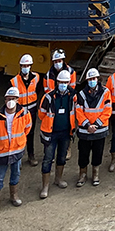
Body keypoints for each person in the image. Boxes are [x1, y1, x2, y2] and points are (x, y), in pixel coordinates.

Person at [0, 87, 32, 214]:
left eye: (13, 99)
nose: (10, 101)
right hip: (3, 151)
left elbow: (27, 128)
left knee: (16, 173)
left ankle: (14, 195)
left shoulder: (24, 113)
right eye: (8, 99)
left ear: (17, 100)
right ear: (5, 100)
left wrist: (19, 141)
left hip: (17, 150)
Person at [37, 68, 75, 199]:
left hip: (65, 132)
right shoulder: (48, 97)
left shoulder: (72, 96)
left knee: (62, 157)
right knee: (48, 159)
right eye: (61, 82)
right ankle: (45, 186)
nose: (63, 85)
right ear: (57, 82)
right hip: (51, 133)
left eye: (66, 82)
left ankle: (58, 179)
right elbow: (41, 114)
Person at [74, 68, 111, 187]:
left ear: (98, 79)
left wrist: (97, 124)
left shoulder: (106, 92)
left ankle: (95, 173)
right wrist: (87, 125)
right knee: (83, 153)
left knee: (98, 152)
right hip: (85, 130)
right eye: (90, 79)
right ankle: (82, 174)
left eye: (94, 78)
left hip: (100, 130)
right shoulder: (80, 94)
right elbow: (78, 111)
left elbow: (107, 110)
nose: (92, 81)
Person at [11, 54, 40, 167]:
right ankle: (18, 158)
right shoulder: (14, 81)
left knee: (31, 133)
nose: (26, 67)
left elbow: (38, 90)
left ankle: (31, 155)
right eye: (24, 65)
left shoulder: (36, 78)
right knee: (19, 134)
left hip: (32, 111)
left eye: (28, 65)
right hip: (20, 112)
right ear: (20, 66)